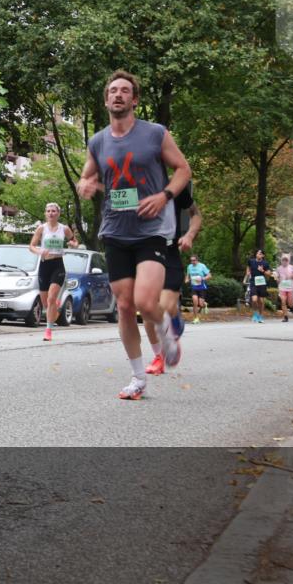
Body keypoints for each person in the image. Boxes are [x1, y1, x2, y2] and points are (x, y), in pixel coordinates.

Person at [77, 70, 192, 400]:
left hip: (151, 230)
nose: (118, 95)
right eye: (113, 90)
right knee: (125, 306)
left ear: (134, 99)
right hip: (115, 230)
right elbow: (88, 176)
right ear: (106, 99)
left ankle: (166, 332)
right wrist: (84, 185)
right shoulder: (97, 141)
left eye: (125, 91)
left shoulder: (155, 134)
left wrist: (164, 196)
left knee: (144, 301)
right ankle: (138, 377)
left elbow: (183, 169)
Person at [143, 186, 203, 376]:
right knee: (147, 310)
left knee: (165, 306)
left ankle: (174, 316)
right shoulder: (137, 185)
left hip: (170, 253)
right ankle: (158, 356)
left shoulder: (175, 187)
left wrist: (189, 235)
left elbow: (195, 214)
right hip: (144, 252)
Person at [28, 202, 79, 341]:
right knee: (46, 304)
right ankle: (54, 306)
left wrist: (72, 244)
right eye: (48, 211)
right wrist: (39, 251)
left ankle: (48, 330)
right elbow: (31, 246)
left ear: (58, 213)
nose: (51, 213)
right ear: (45, 213)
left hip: (58, 265)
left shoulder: (64, 229)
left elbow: (75, 242)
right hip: (44, 265)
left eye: (53, 211)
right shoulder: (41, 229)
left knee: (51, 298)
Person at [243, 249, 272, 323]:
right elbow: (248, 268)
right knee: (254, 300)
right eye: (257, 253)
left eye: (259, 253)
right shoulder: (251, 261)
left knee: (261, 301)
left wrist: (263, 271)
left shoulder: (265, 263)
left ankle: (261, 316)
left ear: (262, 255)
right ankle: (255, 314)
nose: (258, 254)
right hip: (253, 282)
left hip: (262, 283)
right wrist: (246, 276)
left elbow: (269, 273)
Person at [185, 254, 211, 323]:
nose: (192, 262)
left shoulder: (202, 266)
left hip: (202, 287)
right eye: (191, 260)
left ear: (197, 260)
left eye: (194, 260)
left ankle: (204, 304)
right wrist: (186, 279)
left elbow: (209, 276)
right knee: (195, 303)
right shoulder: (189, 267)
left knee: (201, 304)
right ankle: (196, 318)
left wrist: (202, 278)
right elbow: (188, 275)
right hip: (194, 287)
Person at [275, 254, 293, 322]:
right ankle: (285, 316)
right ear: (281, 261)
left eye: (286, 260)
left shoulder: (292, 268)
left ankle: (292, 307)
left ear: (288, 261)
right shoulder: (279, 268)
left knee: (289, 302)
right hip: (282, 287)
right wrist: (277, 279)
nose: (284, 261)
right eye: (283, 260)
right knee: (283, 301)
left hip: (290, 287)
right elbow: (276, 277)